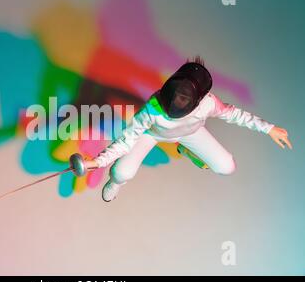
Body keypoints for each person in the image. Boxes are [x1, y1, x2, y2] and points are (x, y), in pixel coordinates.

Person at [84, 57, 292, 202]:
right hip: (152, 134)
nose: (176, 101)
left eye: (184, 98)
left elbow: (234, 114)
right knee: (121, 172)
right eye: (176, 93)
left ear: (197, 100)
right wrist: (97, 162)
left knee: (226, 167)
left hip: (191, 134)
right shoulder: (153, 108)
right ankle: (116, 183)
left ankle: (185, 149)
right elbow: (125, 141)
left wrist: (269, 128)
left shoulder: (208, 104)